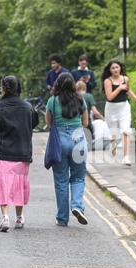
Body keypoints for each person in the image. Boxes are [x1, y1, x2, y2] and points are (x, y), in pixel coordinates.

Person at [0, 76, 39, 232]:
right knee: (19, 186)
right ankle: (19, 217)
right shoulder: (28, 107)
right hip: (22, 153)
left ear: (4, 88)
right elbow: (34, 122)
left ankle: (5, 217)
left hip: (1, 153)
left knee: (3, 186)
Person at [46, 73, 89, 227]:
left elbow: (49, 123)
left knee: (61, 180)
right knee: (78, 177)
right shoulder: (80, 99)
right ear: (72, 85)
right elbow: (85, 123)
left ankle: (62, 218)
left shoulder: (52, 101)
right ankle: (77, 206)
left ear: (57, 84)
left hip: (60, 143)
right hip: (78, 141)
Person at [101, 60, 136, 166]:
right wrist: (119, 88)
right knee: (114, 132)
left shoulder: (125, 79)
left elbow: (129, 91)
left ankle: (126, 157)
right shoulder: (108, 81)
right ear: (110, 70)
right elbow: (110, 97)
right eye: (113, 68)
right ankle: (113, 144)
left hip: (124, 108)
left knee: (125, 131)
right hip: (111, 109)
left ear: (120, 68)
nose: (115, 69)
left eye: (117, 67)